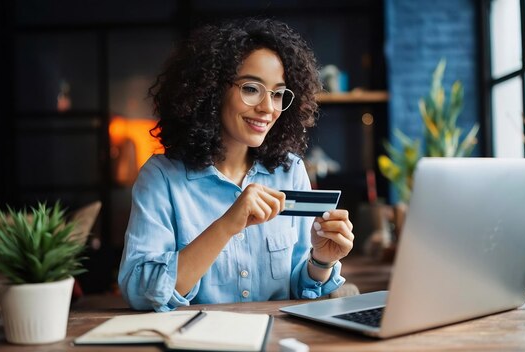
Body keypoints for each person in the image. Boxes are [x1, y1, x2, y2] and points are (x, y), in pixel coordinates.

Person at [118, 18, 354, 312]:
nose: (268, 108)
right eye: (252, 89)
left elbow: (298, 288)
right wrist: (227, 225)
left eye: (278, 93)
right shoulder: (162, 178)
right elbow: (141, 292)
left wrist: (321, 260)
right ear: (212, 91)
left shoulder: (290, 172)